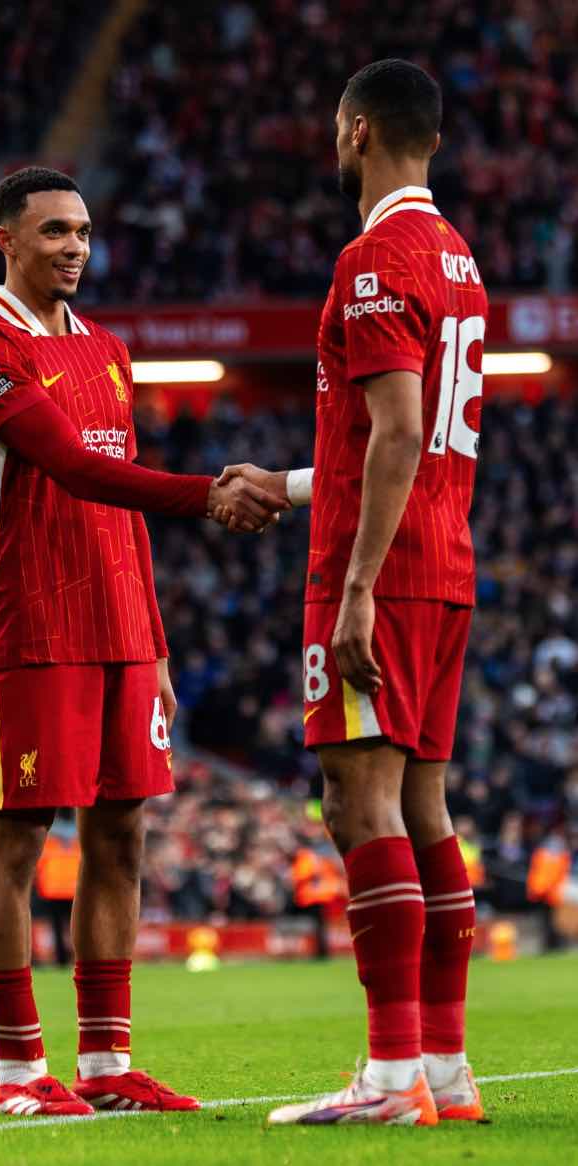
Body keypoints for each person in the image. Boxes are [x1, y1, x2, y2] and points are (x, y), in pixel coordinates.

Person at [0, 166, 286, 1119]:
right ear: (6, 240)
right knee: (17, 839)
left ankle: (105, 1064)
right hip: (37, 625)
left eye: (84, 231)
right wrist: (209, 493)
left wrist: (159, 644)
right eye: (54, 231)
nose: (75, 247)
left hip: (123, 630)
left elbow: (119, 501)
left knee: (122, 836)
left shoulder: (110, 351)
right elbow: (77, 470)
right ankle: (18, 1075)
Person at [219, 59, 489, 1126]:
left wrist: (359, 587)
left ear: (358, 129)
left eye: (337, 131)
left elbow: (393, 428)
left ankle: (387, 1076)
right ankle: (446, 1065)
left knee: (356, 799)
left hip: (381, 570)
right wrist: (285, 487)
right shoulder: (458, 258)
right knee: (421, 801)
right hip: (444, 557)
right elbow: (396, 436)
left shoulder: (374, 257)